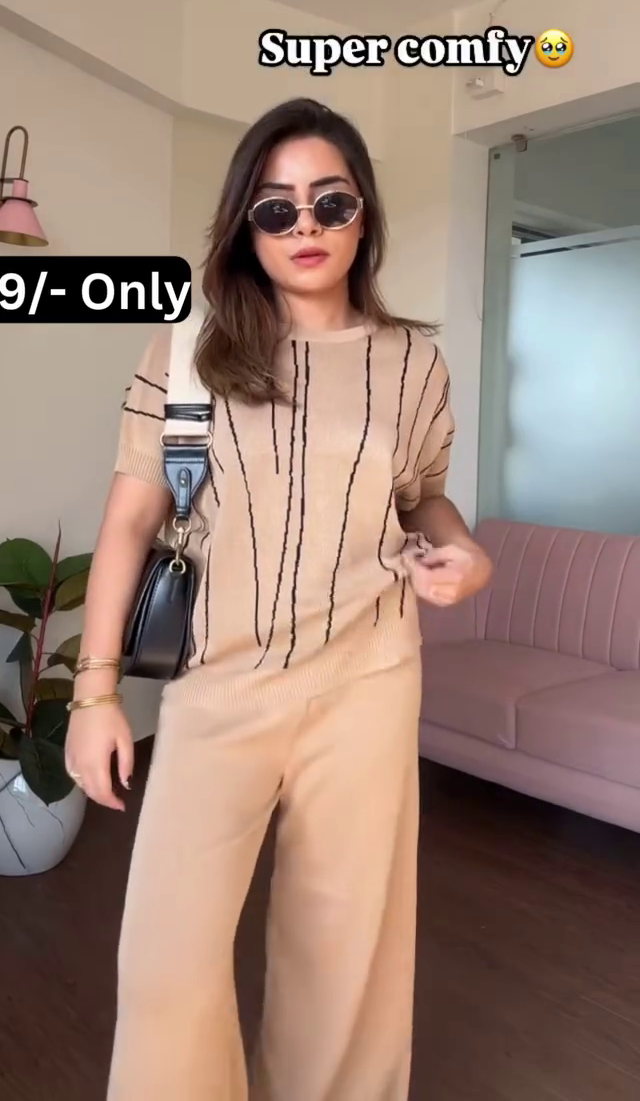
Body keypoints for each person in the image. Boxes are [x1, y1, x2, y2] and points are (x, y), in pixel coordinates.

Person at [65, 96, 493, 1101]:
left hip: (369, 680)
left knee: (345, 960)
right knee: (165, 965)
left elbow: (424, 498)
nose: (305, 225)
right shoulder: (189, 353)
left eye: (330, 201)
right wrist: (92, 695)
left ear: (363, 214)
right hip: (219, 689)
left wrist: (466, 553)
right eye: (275, 207)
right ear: (245, 225)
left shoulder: (414, 362)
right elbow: (128, 521)